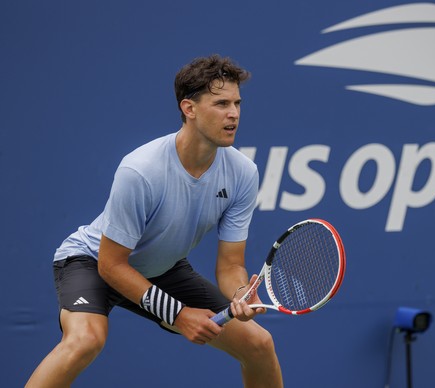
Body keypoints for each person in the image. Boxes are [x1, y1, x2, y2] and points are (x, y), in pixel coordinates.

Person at [26, 54, 284, 387]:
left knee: (258, 344)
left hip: (161, 269)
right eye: (221, 104)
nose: (233, 113)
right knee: (85, 340)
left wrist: (240, 294)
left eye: (237, 103)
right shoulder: (141, 170)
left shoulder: (243, 173)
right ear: (189, 109)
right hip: (93, 262)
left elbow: (231, 265)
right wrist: (177, 314)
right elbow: (111, 266)